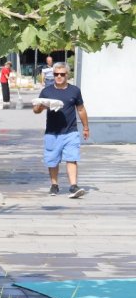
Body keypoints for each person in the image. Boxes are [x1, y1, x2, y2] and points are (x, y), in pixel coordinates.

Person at [33, 62, 88, 198]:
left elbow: (80, 109)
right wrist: (41, 106)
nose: (59, 77)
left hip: (71, 131)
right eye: (56, 74)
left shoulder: (74, 90)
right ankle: (54, 185)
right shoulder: (47, 91)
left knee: (72, 158)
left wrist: (86, 127)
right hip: (52, 132)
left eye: (62, 74)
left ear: (67, 75)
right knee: (52, 160)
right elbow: (36, 110)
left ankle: (73, 186)